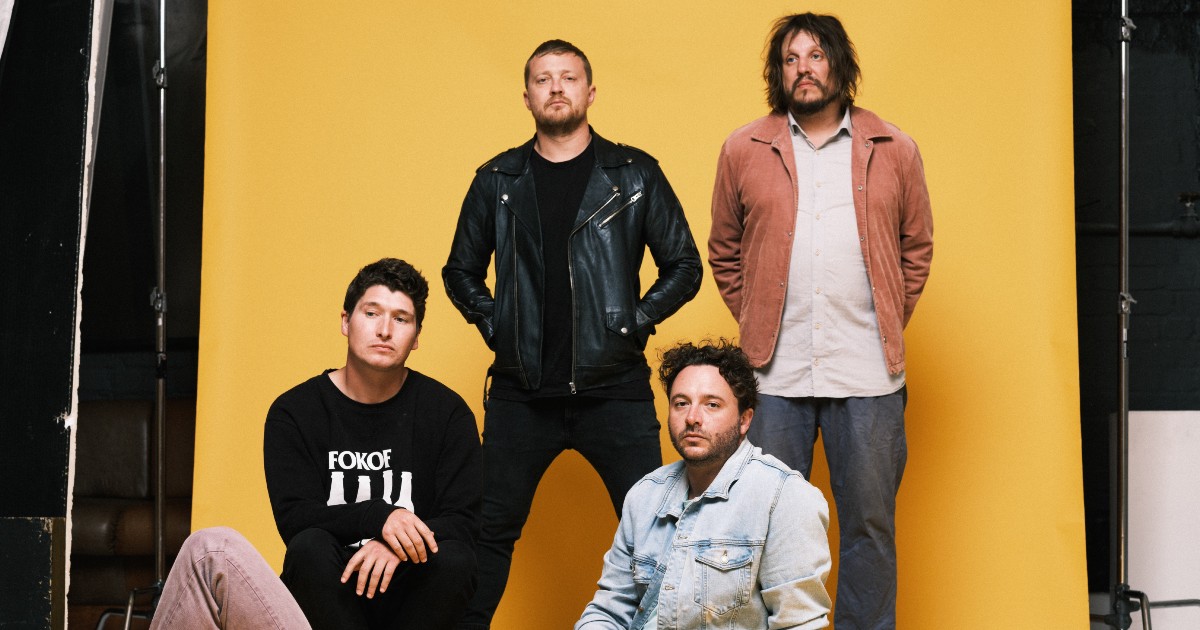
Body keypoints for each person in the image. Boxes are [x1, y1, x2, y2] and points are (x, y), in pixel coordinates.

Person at [443, 40, 702, 628]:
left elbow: (685, 265)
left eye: (568, 77)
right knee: (488, 534)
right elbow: (460, 271)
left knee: (656, 535)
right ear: (527, 96)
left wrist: (634, 322)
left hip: (614, 387)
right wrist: (497, 324)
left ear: (590, 92)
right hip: (520, 393)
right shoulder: (497, 179)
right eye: (543, 79)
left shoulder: (633, 174)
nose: (556, 87)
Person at [707, 13, 934, 629]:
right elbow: (724, 250)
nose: (803, 69)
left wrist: (886, 317)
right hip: (773, 375)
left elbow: (916, 248)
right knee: (764, 524)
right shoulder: (743, 149)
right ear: (778, 73)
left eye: (815, 55)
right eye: (790, 59)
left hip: (868, 374)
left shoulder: (895, 148)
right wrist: (755, 316)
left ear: (840, 64)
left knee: (869, 527)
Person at [263, 258, 482, 629]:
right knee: (308, 547)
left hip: (412, 588)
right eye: (371, 313)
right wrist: (379, 517)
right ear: (345, 321)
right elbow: (295, 518)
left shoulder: (447, 412)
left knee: (456, 558)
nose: (384, 330)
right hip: (332, 584)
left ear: (416, 337)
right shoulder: (295, 411)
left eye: (401, 319)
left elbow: (464, 521)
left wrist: (397, 544)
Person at [576, 340, 832, 630]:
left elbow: (799, 623)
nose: (692, 418)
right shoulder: (644, 495)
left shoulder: (784, 497)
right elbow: (609, 610)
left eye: (712, 405)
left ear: (744, 419)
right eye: (681, 403)